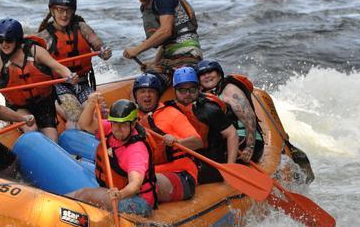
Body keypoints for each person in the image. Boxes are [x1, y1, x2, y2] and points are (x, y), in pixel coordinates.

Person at [0, 18, 78, 142]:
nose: (4, 44)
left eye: (9, 40)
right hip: (18, 107)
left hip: (44, 104)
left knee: (53, 139)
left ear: (17, 39)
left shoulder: (35, 52)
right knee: (31, 128)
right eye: (0, 40)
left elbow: (58, 67)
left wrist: (70, 75)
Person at [35, 0, 112, 128]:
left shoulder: (82, 27)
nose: (64, 15)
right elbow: (34, 63)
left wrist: (103, 51)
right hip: (59, 87)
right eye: (60, 10)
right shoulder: (44, 36)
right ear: (52, 10)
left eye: (68, 10)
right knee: (76, 117)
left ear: (73, 11)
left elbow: (97, 44)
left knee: (102, 113)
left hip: (83, 84)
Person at [69, 97, 157, 216]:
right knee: (83, 193)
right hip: (117, 191)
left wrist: (120, 194)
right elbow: (85, 124)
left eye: (124, 125)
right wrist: (91, 104)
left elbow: (135, 184)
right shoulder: (111, 128)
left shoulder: (137, 150)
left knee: (85, 195)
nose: (118, 129)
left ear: (133, 124)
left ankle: (55, 209)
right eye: (115, 123)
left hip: (138, 202)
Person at [123, 0, 202, 92]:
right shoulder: (147, 6)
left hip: (188, 55)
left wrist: (136, 50)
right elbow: (165, 42)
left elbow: (165, 31)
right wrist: (155, 63)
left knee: (153, 86)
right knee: (143, 86)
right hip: (169, 58)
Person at [133, 73, 203, 202]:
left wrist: (177, 141)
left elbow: (198, 142)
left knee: (142, 182)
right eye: (142, 91)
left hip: (182, 174)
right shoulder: (132, 119)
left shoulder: (171, 114)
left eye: (151, 92)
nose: (147, 95)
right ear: (136, 97)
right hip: (152, 171)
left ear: (157, 95)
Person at [164, 67, 239, 184]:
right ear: (175, 90)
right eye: (182, 90)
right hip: (187, 157)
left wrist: (230, 169)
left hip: (212, 159)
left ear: (198, 88)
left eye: (192, 90)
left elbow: (232, 134)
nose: (187, 94)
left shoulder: (209, 110)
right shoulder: (169, 108)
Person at [196, 59, 264, 164]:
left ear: (219, 74)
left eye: (210, 72)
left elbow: (249, 116)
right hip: (226, 139)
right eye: (202, 74)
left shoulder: (229, 90)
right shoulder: (204, 96)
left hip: (246, 139)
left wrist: (250, 147)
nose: (207, 76)